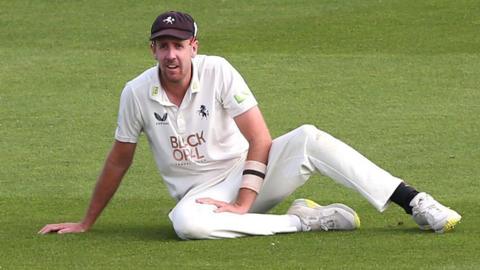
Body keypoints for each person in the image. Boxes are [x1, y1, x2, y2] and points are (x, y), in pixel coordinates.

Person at [39, 11, 461, 239]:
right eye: (163, 46)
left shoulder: (218, 70)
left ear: (194, 47)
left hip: (248, 175)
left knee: (308, 138)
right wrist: (86, 222)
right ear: (153, 50)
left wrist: (243, 201)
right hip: (200, 195)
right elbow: (119, 159)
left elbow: (260, 138)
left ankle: (416, 202)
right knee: (185, 225)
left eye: (180, 46)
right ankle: (307, 221)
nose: (172, 55)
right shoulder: (135, 92)